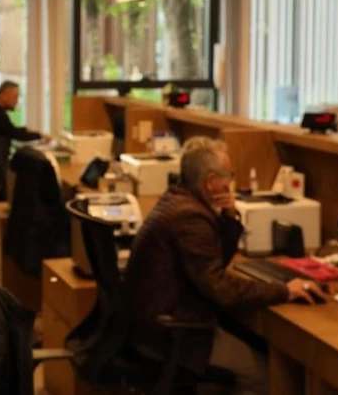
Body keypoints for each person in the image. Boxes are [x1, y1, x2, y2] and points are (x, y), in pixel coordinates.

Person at [122, 136, 326, 395]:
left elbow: (213, 262)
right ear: (210, 182)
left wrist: (229, 219)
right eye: (228, 176)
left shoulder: (178, 200)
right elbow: (221, 287)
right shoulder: (190, 217)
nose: (230, 182)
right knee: (267, 377)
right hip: (172, 335)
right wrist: (285, 290)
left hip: (154, 326)